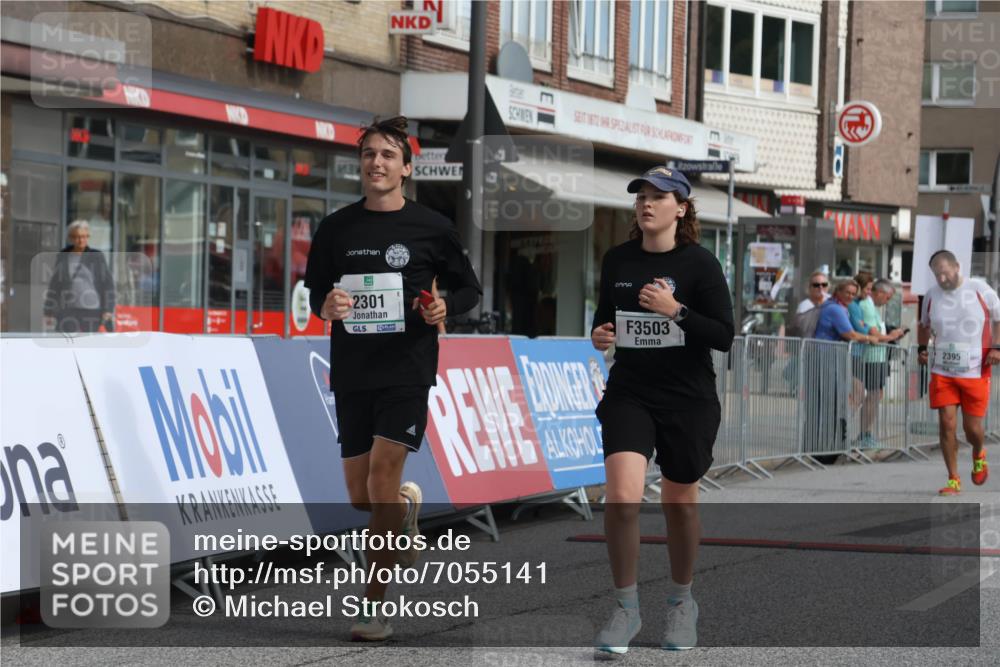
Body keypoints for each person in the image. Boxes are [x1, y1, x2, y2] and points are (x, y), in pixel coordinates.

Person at [303, 116, 482, 640]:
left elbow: (468, 290)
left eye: (387, 155)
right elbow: (316, 292)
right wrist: (327, 304)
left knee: (381, 475)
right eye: (368, 155)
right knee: (363, 497)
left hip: (407, 367)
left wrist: (444, 306)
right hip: (355, 370)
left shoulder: (431, 227)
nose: (376, 163)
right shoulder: (336, 227)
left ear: (406, 168)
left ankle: (373, 605)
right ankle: (404, 507)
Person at [590, 166, 734, 654]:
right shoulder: (618, 260)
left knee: (679, 503)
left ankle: (680, 603)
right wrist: (600, 336)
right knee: (623, 496)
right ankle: (626, 609)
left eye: (659, 197)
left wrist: (676, 310)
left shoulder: (701, 265)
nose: (647, 204)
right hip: (630, 392)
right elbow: (602, 323)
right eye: (641, 197)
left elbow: (724, 336)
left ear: (682, 208)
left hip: (688, 398)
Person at [917, 250, 1000, 496]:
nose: (941, 279)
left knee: (972, 428)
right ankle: (953, 478)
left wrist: (996, 346)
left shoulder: (979, 289)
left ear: (957, 266)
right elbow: (923, 326)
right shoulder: (932, 295)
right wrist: (922, 348)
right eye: (936, 274)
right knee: (946, 423)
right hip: (943, 370)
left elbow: (998, 317)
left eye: (945, 272)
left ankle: (978, 453)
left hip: (975, 370)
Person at [806, 280, 879, 462]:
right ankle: (824, 449)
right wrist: (870, 338)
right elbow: (850, 334)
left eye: (853, 293)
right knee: (829, 403)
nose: (850, 296)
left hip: (832, 359)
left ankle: (828, 446)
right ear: (838, 291)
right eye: (847, 292)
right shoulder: (834, 309)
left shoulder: (838, 308)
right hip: (826, 359)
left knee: (832, 402)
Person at [848, 278, 905, 447]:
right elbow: (873, 333)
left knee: (874, 395)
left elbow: (876, 330)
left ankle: (865, 433)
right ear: (879, 292)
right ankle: (857, 433)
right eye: (887, 298)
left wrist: (888, 333)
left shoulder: (871, 306)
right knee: (866, 395)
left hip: (876, 356)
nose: (887, 302)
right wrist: (891, 337)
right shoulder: (866, 305)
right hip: (870, 356)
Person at [43, 220, 115, 333]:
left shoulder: (96, 256)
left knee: (88, 344)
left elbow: (107, 284)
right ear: (71, 238)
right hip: (68, 309)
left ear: (88, 237)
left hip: (92, 309)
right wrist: (48, 310)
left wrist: (108, 309)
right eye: (77, 237)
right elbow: (55, 284)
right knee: (66, 343)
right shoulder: (63, 256)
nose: (81, 240)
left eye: (84, 236)